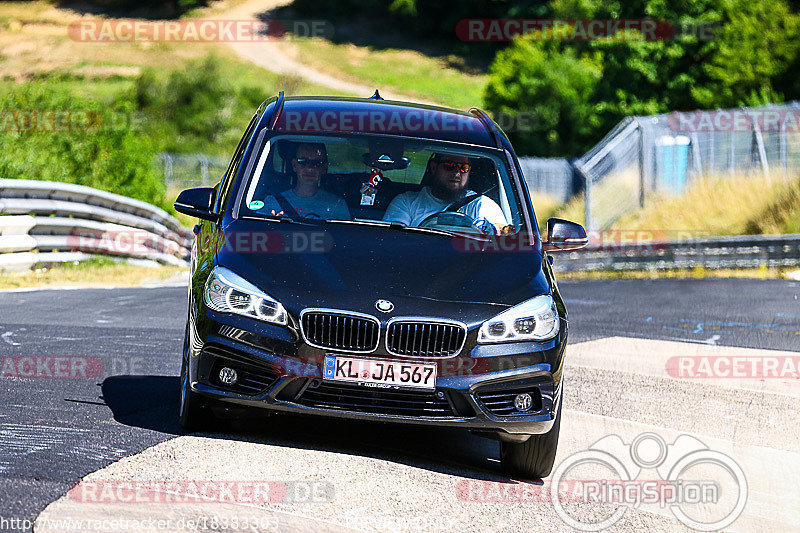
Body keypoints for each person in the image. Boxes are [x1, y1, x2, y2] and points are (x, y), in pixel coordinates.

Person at [382, 154, 509, 231]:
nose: (457, 173)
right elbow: (394, 242)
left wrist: (499, 229)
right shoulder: (407, 203)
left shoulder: (481, 205)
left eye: (464, 168)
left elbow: (500, 232)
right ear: (433, 167)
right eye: (449, 165)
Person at [259, 143, 351, 220]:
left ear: (324, 168)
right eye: (303, 161)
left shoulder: (337, 205)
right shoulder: (272, 202)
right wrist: (271, 226)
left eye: (317, 163)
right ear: (294, 165)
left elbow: (345, 238)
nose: (310, 168)